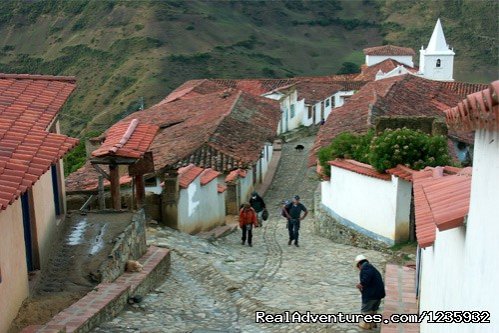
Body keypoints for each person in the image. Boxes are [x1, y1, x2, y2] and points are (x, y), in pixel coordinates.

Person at [354, 254, 386, 330]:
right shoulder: (372, 268)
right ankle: (373, 324)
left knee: (366, 310)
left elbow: (367, 277)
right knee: (374, 309)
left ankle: (366, 326)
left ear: (359, 264)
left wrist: (361, 284)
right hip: (378, 294)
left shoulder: (366, 268)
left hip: (371, 294)